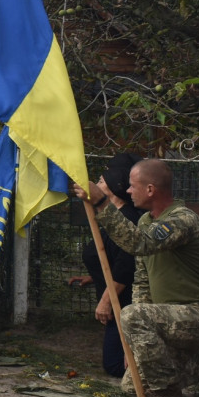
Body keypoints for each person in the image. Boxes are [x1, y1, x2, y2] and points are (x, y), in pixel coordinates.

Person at [77, 158, 199, 397]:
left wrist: (101, 202)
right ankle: (182, 386)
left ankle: (166, 395)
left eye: (133, 186)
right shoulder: (145, 222)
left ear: (151, 189)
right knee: (130, 389)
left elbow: (140, 243)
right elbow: (141, 281)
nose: (128, 191)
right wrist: (135, 340)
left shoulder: (182, 220)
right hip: (165, 318)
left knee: (133, 316)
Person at [69, 152, 143, 378]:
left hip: (124, 303)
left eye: (102, 180)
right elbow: (109, 255)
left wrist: (105, 302)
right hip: (114, 298)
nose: (97, 183)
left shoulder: (128, 218)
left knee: (114, 365)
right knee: (113, 362)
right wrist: (94, 277)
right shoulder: (109, 216)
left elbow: (127, 265)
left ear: (114, 184)